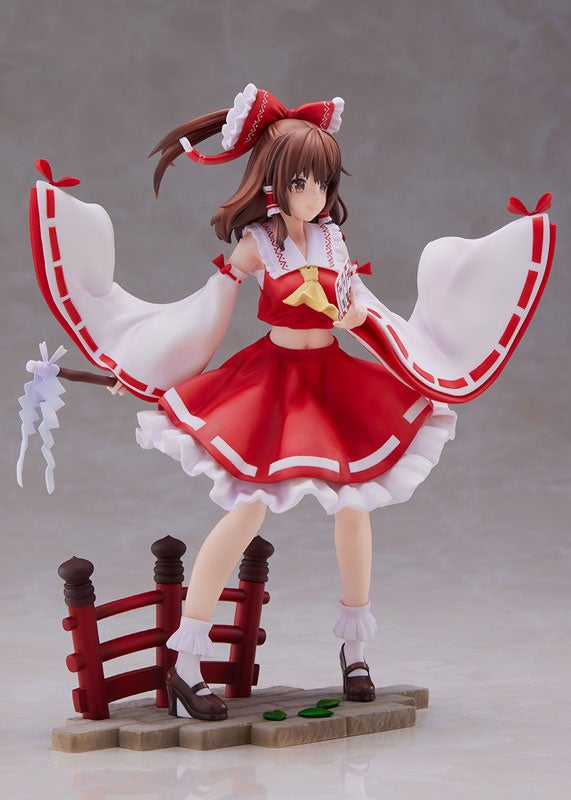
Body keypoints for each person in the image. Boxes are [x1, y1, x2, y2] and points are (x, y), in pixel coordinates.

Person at [23, 84, 554, 721]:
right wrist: (145, 372)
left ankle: (355, 652)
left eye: (323, 181)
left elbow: (362, 308)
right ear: (274, 182)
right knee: (246, 509)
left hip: (330, 381)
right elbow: (206, 315)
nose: (314, 194)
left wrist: (356, 318)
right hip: (272, 385)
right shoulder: (255, 246)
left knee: (354, 510)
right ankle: (185, 663)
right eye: (302, 181)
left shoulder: (333, 242)